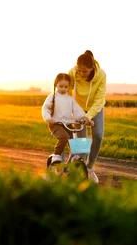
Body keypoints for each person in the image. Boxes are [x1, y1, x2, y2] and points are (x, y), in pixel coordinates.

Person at [68, 50, 106, 184]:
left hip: (95, 108)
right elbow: (66, 91)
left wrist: (88, 116)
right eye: (79, 70)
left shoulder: (101, 75)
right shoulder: (72, 72)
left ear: (92, 68)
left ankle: (89, 168)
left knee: (99, 134)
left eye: (84, 71)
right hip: (78, 108)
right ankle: (79, 167)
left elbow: (99, 100)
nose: (81, 74)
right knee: (81, 143)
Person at [41, 73, 87, 165]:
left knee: (76, 142)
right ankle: (56, 155)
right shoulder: (52, 96)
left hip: (68, 124)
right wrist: (48, 118)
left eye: (66, 87)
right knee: (64, 137)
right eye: (61, 86)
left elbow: (77, 110)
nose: (63, 89)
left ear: (69, 87)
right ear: (56, 85)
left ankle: (76, 160)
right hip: (56, 124)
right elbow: (45, 108)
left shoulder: (70, 99)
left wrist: (84, 118)